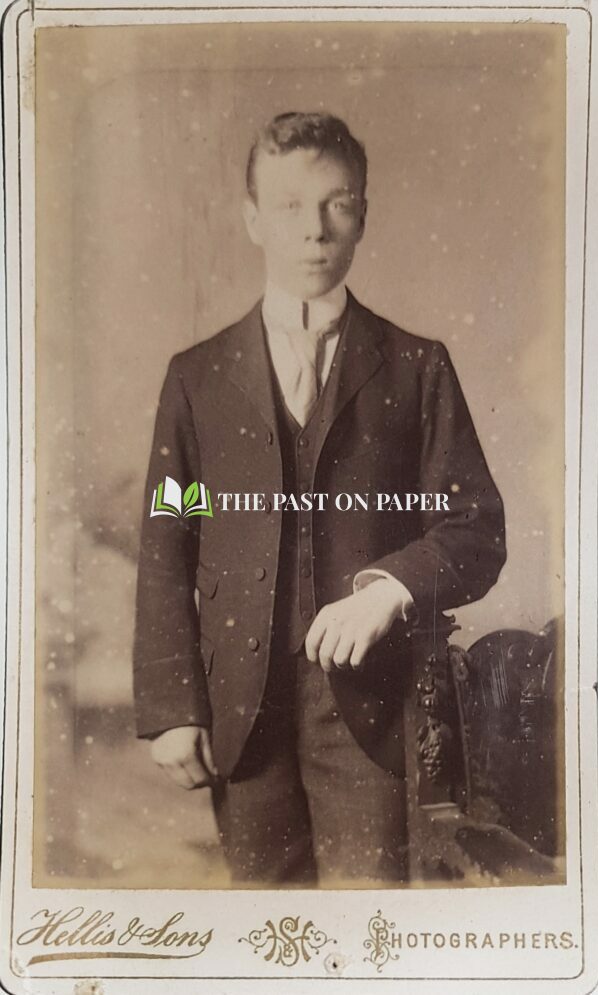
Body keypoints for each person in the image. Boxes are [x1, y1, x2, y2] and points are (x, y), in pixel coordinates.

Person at [133, 111, 506, 887]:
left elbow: (477, 527)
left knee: (369, 928)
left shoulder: (415, 366)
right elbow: (166, 543)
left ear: (362, 214)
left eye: (337, 203)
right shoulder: (195, 379)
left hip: (373, 714)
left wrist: (388, 589)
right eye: (291, 206)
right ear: (252, 219)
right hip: (242, 713)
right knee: (268, 930)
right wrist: (171, 700)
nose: (314, 230)